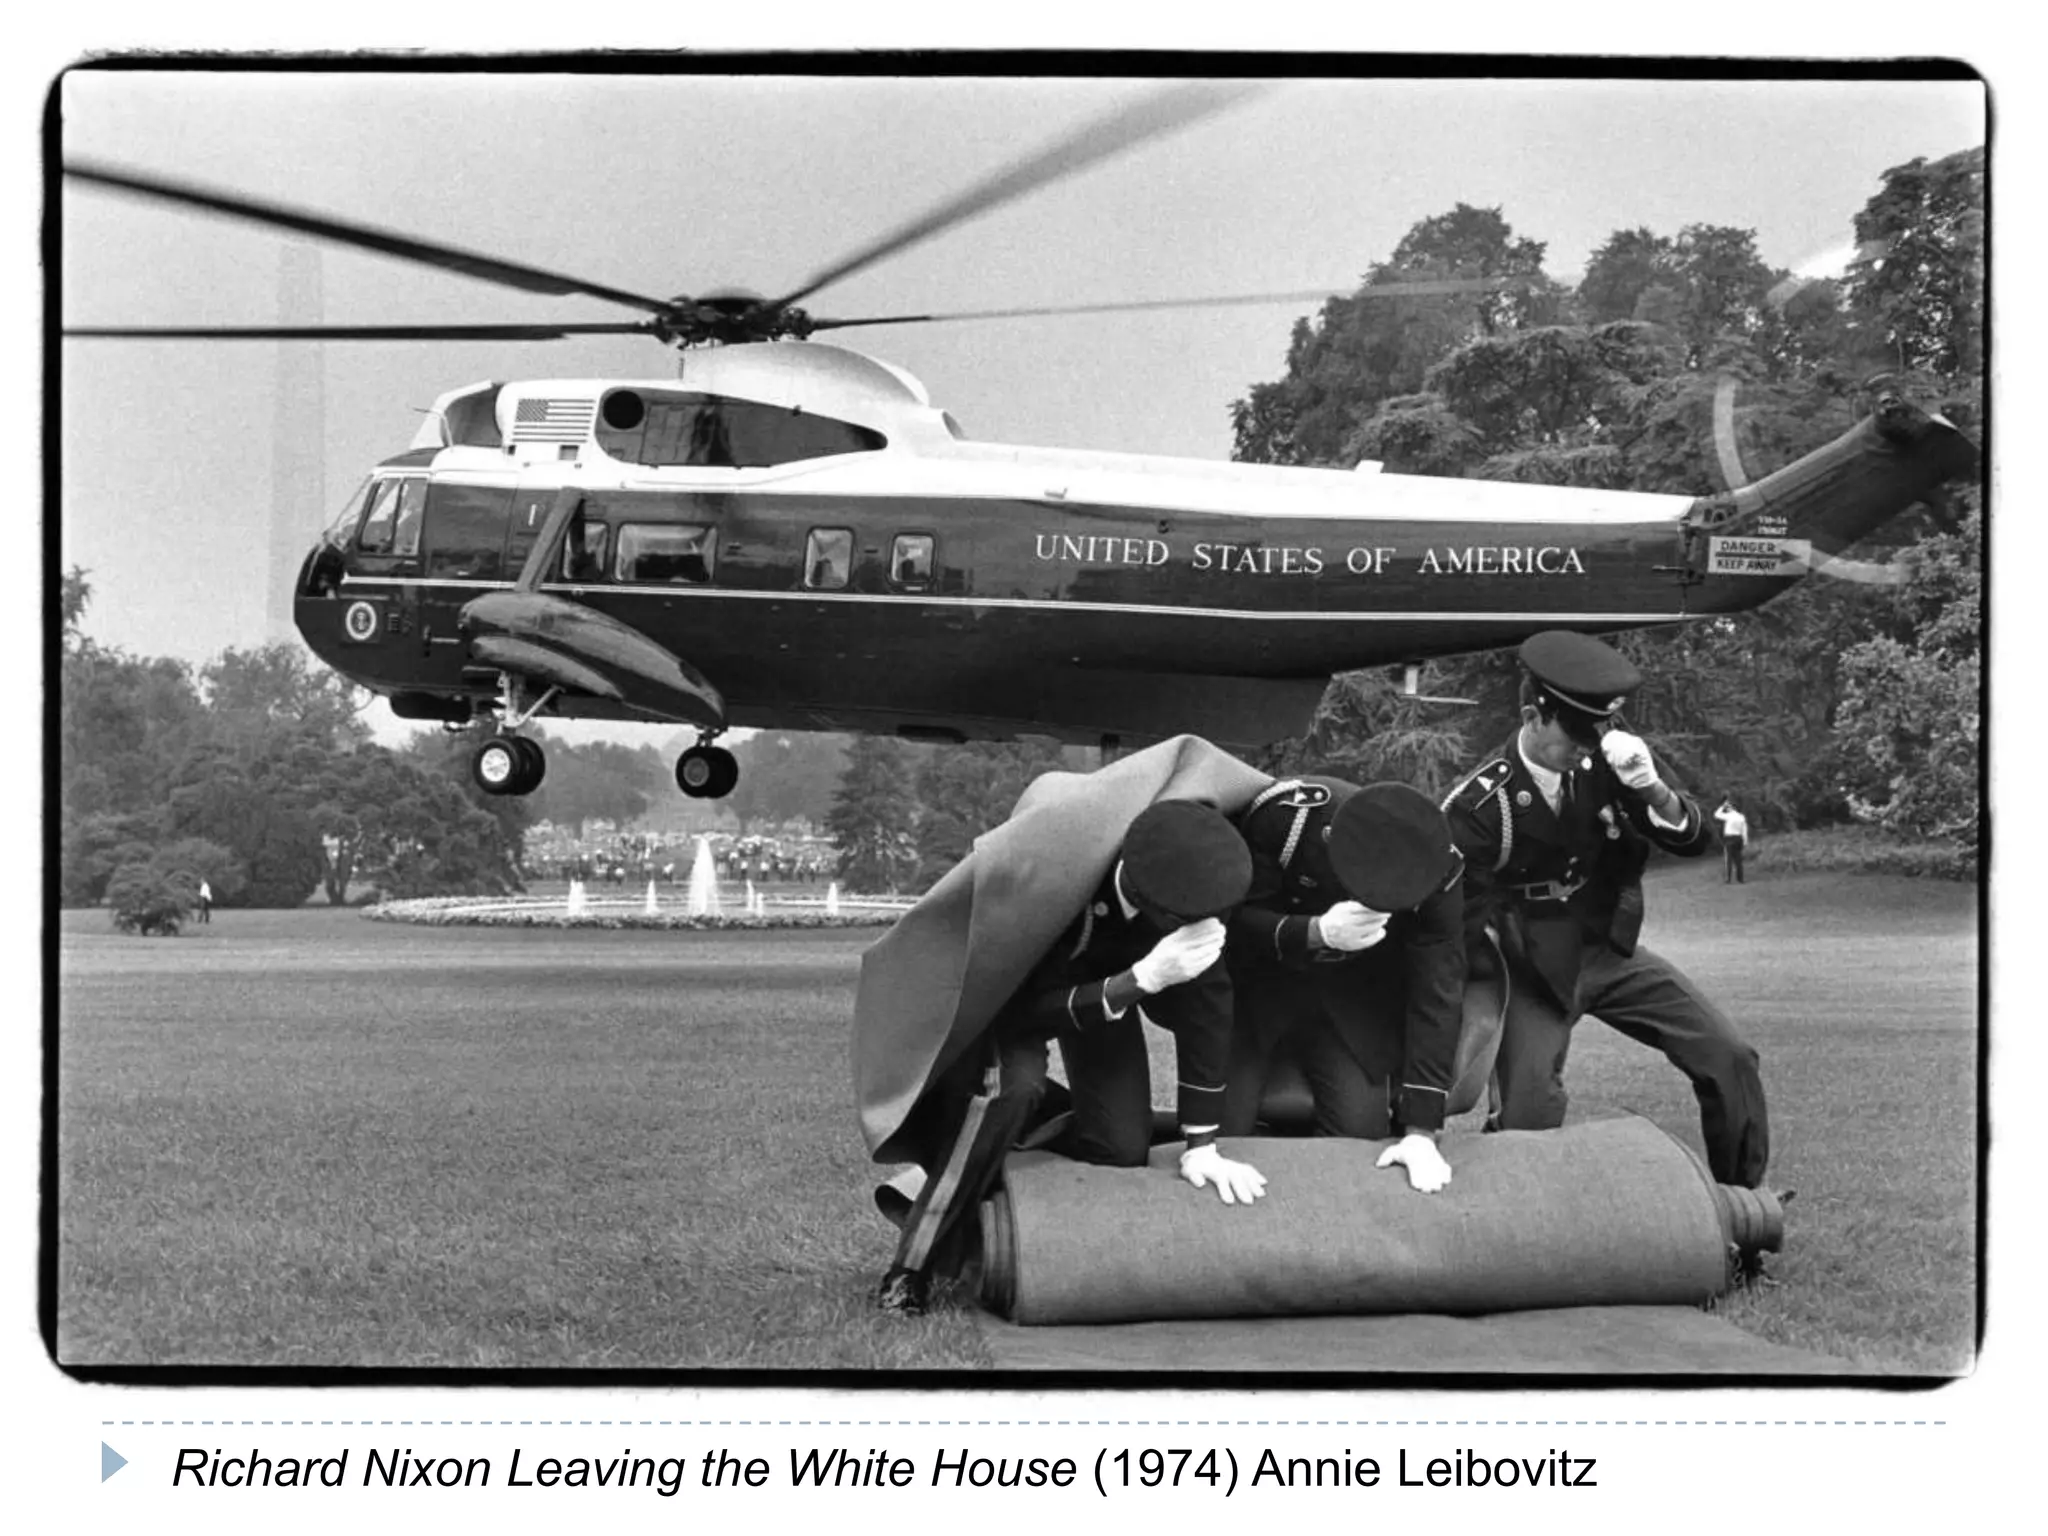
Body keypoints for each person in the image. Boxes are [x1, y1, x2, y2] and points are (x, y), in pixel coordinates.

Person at [875, 799, 1263, 1315]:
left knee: (1121, 1147)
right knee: (1010, 1089)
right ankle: (910, 1268)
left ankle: (1019, 1135)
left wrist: (1202, 1146)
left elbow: (1209, 1016)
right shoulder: (1053, 887)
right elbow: (1016, 1011)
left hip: (1107, 995)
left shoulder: (1194, 896)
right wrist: (1136, 982)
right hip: (1013, 999)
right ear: (1158, 903)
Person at [1442, 631, 1769, 1189]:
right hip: (1529, 967)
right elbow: (1455, 925)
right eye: (1575, 735)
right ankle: (1520, 1228)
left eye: (1596, 735)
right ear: (1532, 715)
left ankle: (1743, 1211)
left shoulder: (1610, 763)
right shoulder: (1479, 805)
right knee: (1529, 1116)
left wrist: (1654, 790)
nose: (1586, 749)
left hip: (1606, 948)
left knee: (1729, 1055)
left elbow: (1694, 840)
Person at [1224, 779, 1465, 1193]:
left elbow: (1437, 991)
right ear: (1331, 838)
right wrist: (1312, 932)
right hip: (1260, 992)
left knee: (1361, 1140)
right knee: (1221, 1134)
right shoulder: (1289, 820)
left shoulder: (1438, 868)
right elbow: (1231, 922)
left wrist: (1422, 1130)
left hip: (1353, 1002)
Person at [1713, 796, 1750, 884]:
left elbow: (1716, 815)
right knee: (1738, 860)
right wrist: (1745, 840)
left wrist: (1722, 806)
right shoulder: (1741, 817)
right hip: (1738, 838)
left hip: (1729, 838)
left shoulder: (1729, 816)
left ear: (1732, 808)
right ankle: (1740, 879)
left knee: (1728, 859)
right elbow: (1744, 830)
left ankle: (1728, 879)